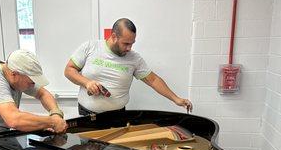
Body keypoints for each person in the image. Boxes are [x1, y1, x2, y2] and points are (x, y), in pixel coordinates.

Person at [64, 18, 193, 115]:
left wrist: (176, 99)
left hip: (118, 115)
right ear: (114, 36)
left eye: (132, 43)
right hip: (87, 115)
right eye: (125, 43)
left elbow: (153, 80)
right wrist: (87, 83)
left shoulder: (134, 58)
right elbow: (69, 70)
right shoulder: (90, 47)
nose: (129, 48)